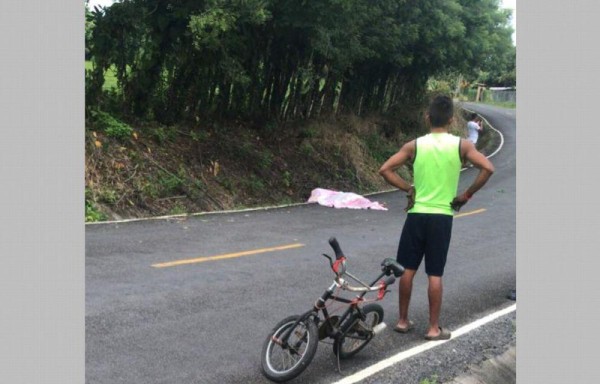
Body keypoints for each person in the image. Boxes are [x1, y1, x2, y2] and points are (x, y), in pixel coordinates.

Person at [378, 95, 494, 340]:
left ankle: (402, 320)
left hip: (417, 214)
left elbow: (385, 169)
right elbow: (488, 168)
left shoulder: (415, 145)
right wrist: (466, 195)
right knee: (435, 273)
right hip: (442, 217)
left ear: (427, 117)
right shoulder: (462, 146)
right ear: (452, 120)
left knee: (408, 270)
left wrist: (408, 189)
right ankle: (433, 328)